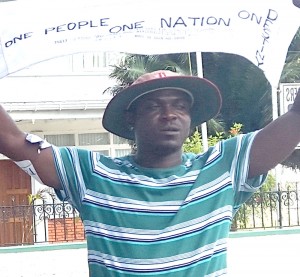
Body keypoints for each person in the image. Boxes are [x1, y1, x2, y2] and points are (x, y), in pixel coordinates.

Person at [1, 69, 300, 276]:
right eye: (154, 106)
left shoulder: (223, 168)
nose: (170, 114)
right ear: (131, 118)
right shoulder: (91, 175)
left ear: (191, 119)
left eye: (180, 106)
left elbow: (296, 118)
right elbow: (13, 141)